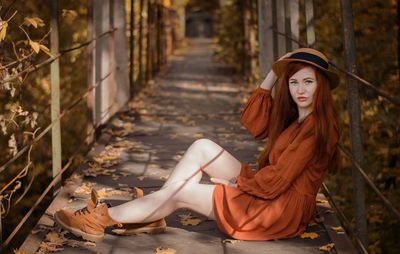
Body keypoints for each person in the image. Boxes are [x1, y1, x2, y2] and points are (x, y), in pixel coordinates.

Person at [54, 47, 340, 243]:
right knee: (202, 146)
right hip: (272, 191)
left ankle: (103, 219)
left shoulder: (315, 129)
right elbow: (255, 124)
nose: (300, 90)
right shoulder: (297, 118)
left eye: (308, 82)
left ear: (321, 86)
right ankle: (151, 214)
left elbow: (277, 181)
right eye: (293, 83)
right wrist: (274, 73)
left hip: (278, 210)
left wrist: (236, 184)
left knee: (181, 193)